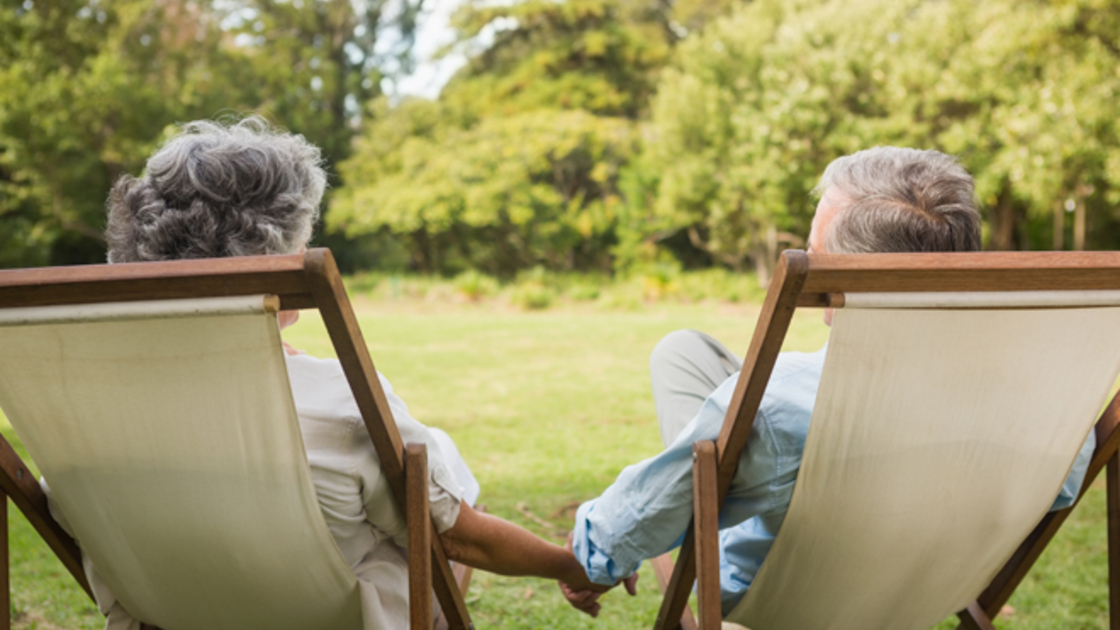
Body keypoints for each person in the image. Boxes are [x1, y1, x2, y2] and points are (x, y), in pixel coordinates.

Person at [42, 117, 601, 630]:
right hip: (327, 619)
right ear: (277, 255)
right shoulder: (343, 405)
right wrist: (569, 564)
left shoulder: (82, 415)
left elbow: (66, 512)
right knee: (434, 471)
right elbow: (464, 541)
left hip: (171, 615)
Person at [559, 147, 1097, 618]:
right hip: (931, 588)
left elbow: (619, 530)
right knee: (684, 353)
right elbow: (1061, 489)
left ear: (844, 278)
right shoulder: (1056, 413)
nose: (810, 255)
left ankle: (724, 492)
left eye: (815, 248)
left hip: (774, 594)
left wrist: (594, 558)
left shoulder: (778, 404)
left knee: (727, 436)